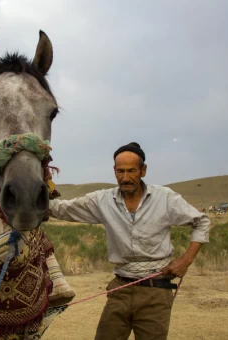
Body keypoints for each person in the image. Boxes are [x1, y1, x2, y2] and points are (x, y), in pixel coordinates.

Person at [48, 142, 210, 340]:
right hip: (120, 289)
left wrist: (185, 261)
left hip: (156, 291)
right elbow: (62, 209)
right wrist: (32, 193)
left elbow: (201, 221)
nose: (125, 178)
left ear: (143, 170)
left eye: (131, 171)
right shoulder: (102, 200)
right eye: (120, 171)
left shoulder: (165, 198)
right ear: (114, 171)